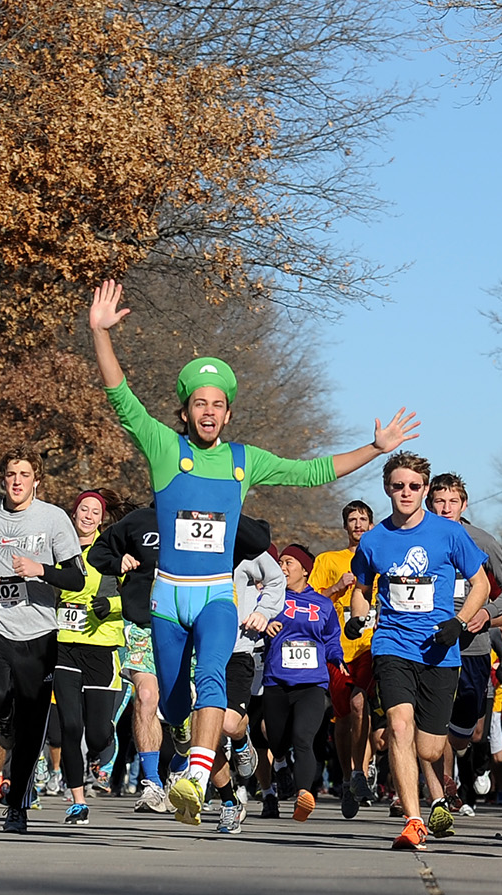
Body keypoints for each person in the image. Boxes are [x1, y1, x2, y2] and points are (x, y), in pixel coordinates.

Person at [87, 279, 419, 827]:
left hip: (217, 595)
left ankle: (194, 777)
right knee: (171, 704)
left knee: (213, 674)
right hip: (168, 597)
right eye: (200, 403)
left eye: (219, 405)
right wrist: (101, 335)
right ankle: (194, 751)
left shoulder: (245, 459)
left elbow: (311, 471)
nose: (210, 412)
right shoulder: (164, 448)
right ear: (186, 410)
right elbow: (120, 396)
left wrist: (375, 450)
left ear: (230, 413)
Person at [348, 452, 490, 850]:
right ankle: (413, 820)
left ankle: (431, 791)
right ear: (386, 488)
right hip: (392, 644)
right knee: (397, 726)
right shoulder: (374, 539)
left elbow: (481, 585)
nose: (406, 492)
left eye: (414, 486)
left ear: (424, 490)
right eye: (398, 486)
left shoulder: (448, 533)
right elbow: (361, 589)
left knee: (429, 746)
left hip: (439, 651)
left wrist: (459, 622)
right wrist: (358, 617)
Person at [0, 452, 85, 833]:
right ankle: (1, 713)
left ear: (35, 481)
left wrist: (40, 569)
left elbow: (76, 579)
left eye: (24, 475)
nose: (16, 481)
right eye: (10, 474)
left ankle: (16, 806)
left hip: (38, 632)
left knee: (31, 728)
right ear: (3, 479)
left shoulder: (53, 518)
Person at [425, 474, 502, 818]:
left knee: (466, 730)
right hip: (428, 645)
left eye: (453, 502)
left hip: (473, 648)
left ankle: (467, 759)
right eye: (439, 501)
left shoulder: (481, 540)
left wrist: (486, 612)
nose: (446, 508)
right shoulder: (417, 538)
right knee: (431, 721)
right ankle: (442, 788)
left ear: (464, 505)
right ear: (429, 504)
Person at [54, 490, 130, 826]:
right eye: (82, 509)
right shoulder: (58, 546)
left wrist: (111, 605)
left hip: (102, 648)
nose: (87, 515)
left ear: (102, 518)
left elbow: (139, 596)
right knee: (71, 726)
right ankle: (77, 801)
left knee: (97, 735)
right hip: (63, 646)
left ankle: (103, 749)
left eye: (94, 511)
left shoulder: (113, 549)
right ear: (74, 513)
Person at [85, 503, 167, 812]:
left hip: (188, 627)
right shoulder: (139, 521)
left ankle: (186, 757)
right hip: (143, 625)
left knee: (181, 711)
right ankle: (153, 785)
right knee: (145, 695)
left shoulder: (203, 516)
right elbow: (97, 554)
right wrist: (118, 561)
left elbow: (252, 542)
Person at [258, 544, 345, 822]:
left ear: (305, 570)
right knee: (277, 740)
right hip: (277, 681)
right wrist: (265, 627)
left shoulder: (323, 603)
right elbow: (253, 624)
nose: (282, 568)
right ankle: (281, 763)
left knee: (303, 738)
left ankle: (303, 795)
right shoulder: (270, 598)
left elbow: (331, 638)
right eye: (280, 563)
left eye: (288, 563)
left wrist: (337, 658)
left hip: (312, 682)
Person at [210, 525, 285, 834]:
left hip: (237, 648)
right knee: (203, 732)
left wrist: (264, 611)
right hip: (195, 651)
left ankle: (242, 742)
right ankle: (229, 802)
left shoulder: (244, 547)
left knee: (228, 725)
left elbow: (276, 578)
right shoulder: (185, 544)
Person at [311, 500, 377, 818]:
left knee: (359, 704)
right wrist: (337, 587)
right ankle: (348, 775)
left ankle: (360, 773)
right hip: (337, 648)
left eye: (363, 519)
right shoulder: (329, 559)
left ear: (371, 523)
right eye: (352, 519)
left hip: (371, 647)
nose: (358, 524)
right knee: (342, 718)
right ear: (345, 526)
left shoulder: (381, 557)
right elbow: (308, 600)